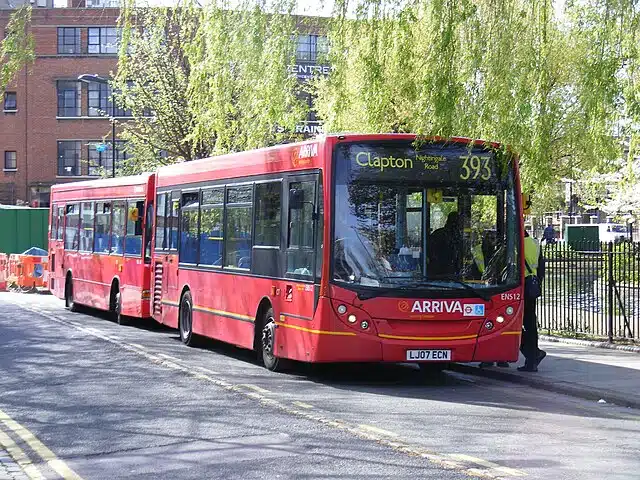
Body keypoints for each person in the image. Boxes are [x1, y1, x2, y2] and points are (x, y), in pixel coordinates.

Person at [519, 229, 546, 372]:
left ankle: (533, 355)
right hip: (531, 287)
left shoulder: (515, 244)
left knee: (515, 324)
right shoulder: (535, 243)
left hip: (519, 287)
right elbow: (541, 267)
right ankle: (533, 358)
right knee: (530, 325)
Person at [428, 211, 463, 277]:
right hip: (440, 273)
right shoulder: (439, 234)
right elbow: (430, 253)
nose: (460, 225)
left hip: (453, 273)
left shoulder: (458, 236)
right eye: (458, 222)